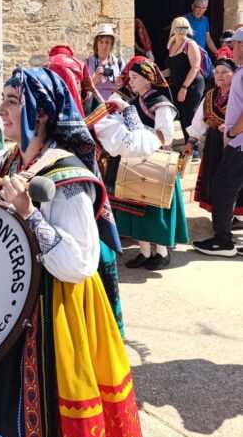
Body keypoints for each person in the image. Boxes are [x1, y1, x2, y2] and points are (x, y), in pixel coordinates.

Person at [0, 67, 153, 437]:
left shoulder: (68, 175)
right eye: (2, 100)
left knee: (46, 420)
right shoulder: (9, 162)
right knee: (4, 406)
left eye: (11, 101)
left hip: (55, 313)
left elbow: (78, 264)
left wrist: (30, 215)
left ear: (41, 114)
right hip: (10, 307)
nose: (0, 109)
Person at [95, 60, 189, 270]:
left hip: (156, 165)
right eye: (131, 77)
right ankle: (145, 252)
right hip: (136, 161)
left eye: (135, 77)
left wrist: (137, 132)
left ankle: (162, 253)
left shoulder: (161, 102)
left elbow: (165, 136)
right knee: (138, 212)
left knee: (155, 212)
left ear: (148, 79)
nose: (131, 81)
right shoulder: (135, 100)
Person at [194, 29, 243, 256]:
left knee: (224, 187)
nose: (233, 49)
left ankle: (223, 241)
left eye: (235, 45)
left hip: (239, 143)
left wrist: (232, 132)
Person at [185, 58, 243, 216]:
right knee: (215, 179)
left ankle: (235, 215)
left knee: (234, 181)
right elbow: (199, 121)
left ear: (235, 74)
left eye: (225, 72)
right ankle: (222, 216)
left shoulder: (238, 95)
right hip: (214, 144)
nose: (220, 76)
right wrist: (191, 141)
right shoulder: (210, 95)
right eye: (217, 72)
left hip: (235, 142)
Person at [166, 16, 204, 140]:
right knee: (182, 116)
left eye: (185, 28)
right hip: (178, 84)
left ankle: (194, 149)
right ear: (173, 29)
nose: (182, 31)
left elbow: (195, 67)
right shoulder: (171, 44)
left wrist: (184, 87)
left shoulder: (190, 44)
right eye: (179, 28)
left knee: (190, 116)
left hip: (192, 85)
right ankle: (188, 146)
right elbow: (171, 69)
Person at [47, 44, 95, 114]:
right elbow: (88, 91)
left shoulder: (47, 65)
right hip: (75, 112)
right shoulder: (79, 63)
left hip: (54, 111)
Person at [86, 23, 125, 101]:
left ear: (111, 44)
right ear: (96, 44)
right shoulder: (88, 63)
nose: (104, 46)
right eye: (101, 42)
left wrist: (121, 84)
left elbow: (128, 87)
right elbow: (84, 90)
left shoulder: (119, 63)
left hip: (114, 105)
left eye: (107, 42)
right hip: (95, 106)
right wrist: (95, 79)